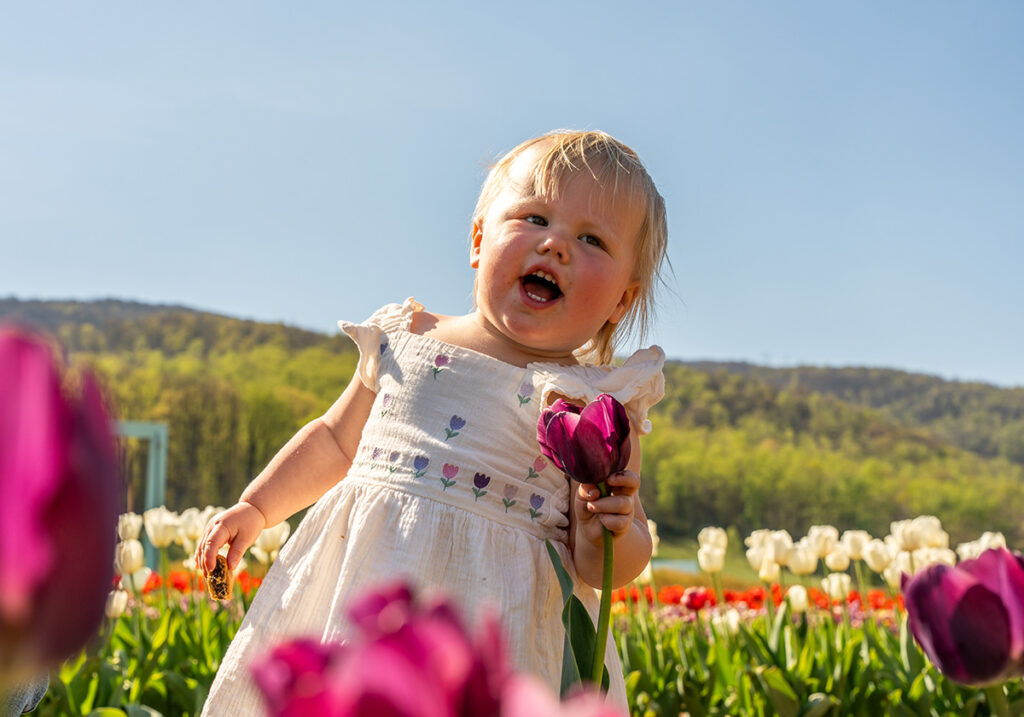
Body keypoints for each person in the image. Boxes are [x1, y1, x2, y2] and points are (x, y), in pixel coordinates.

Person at [196, 130, 669, 712]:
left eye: (591, 238)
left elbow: (603, 564)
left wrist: (611, 532)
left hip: (506, 634)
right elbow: (334, 441)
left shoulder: (595, 403)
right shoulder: (408, 337)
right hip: (371, 598)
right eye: (534, 217)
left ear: (622, 300)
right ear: (478, 240)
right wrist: (259, 507)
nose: (556, 246)